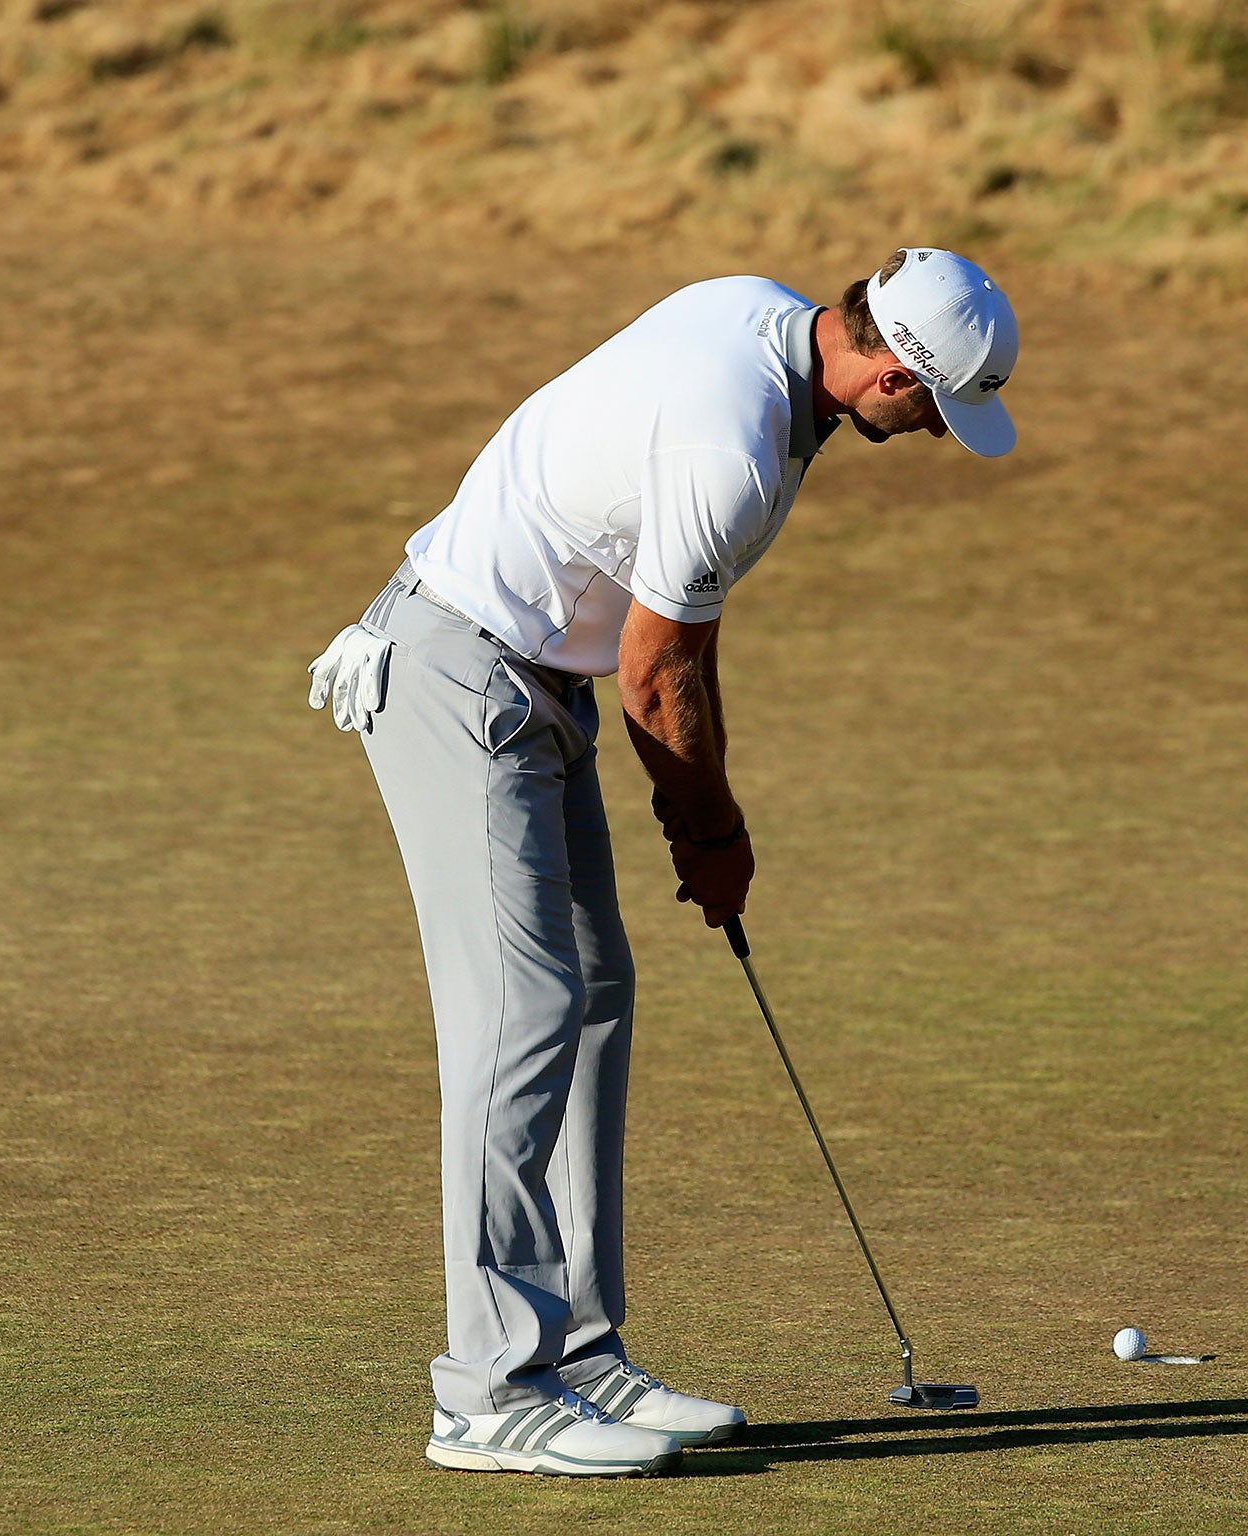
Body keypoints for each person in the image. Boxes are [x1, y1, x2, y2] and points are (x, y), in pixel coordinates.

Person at [306, 248, 1020, 1478]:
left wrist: (703, 818)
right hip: (458, 672)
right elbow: (656, 673)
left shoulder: (753, 312)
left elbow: (658, 647)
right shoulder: (731, 450)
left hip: (527, 681)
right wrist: (712, 835)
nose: (931, 436)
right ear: (892, 373)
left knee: (591, 996)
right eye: (934, 412)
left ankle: (575, 1352)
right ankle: (486, 1389)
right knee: (519, 1014)